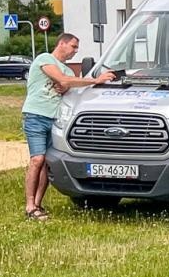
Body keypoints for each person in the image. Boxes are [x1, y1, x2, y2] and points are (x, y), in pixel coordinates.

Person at [22, 32, 115, 219]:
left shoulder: (69, 72)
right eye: (73, 46)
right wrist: (96, 80)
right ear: (61, 43)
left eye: (77, 48)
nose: (76, 51)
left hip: (55, 119)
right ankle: (29, 204)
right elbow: (63, 81)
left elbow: (68, 86)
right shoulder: (45, 59)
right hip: (36, 116)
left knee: (48, 162)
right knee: (37, 160)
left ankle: (38, 204)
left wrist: (68, 85)